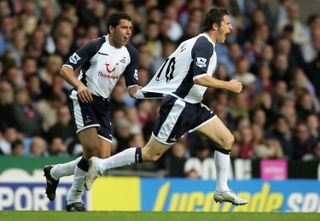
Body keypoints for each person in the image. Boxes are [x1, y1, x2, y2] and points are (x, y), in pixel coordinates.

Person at [86, 7, 248, 206]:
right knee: (150, 154)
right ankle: (101, 165)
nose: (231, 28)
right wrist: (228, 85)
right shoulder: (204, 44)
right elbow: (199, 78)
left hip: (194, 105)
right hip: (180, 106)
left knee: (226, 139)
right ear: (216, 25)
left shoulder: (194, 43)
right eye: (227, 24)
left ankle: (222, 189)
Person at [43, 12, 140, 211]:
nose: (128, 33)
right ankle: (73, 200)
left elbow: (132, 86)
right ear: (111, 29)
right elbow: (65, 68)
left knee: (101, 158)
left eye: (130, 29)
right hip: (83, 99)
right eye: (123, 28)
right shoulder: (95, 45)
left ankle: (54, 173)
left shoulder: (132, 53)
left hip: (103, 105)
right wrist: (79, 86)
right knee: (91, 150)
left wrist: (145, 93)